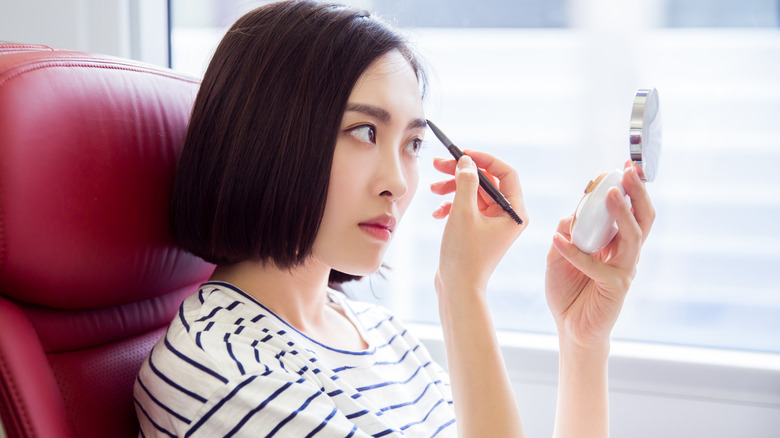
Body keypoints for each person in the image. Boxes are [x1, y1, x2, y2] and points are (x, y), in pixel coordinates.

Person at [133, 1, 655, 437]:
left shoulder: (380, 336)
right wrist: (460, 291)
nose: (399, 183)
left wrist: (581, 342)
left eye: (412, 143)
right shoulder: (220, 369)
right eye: (364, 132)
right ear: (269, 139)